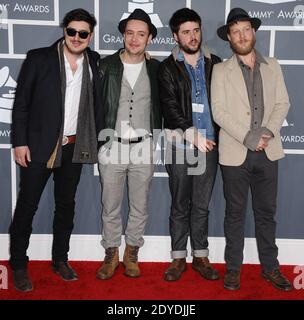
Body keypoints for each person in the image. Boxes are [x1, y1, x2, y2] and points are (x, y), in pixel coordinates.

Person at [10, 8, 103, 292]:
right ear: (64, 30)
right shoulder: (39, 58)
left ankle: (60, 259)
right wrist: (20, 141)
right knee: (27, 206)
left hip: (75, 146)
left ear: (90, 36)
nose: (77, 37)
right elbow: (22, 103)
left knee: (66, 206)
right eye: (71, 31)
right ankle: (18, 264)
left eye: (83, 33)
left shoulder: (94, 61)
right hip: (39, 146)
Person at [211, 7, 292, 291]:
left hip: (268, 152)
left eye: (246, 30)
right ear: (229, 38)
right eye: (236, 32)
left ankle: (271, 268)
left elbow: (283, 103)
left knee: (266, 214)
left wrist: (266, 133)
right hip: (235, 152)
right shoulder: (220, 70)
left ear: (253, 32)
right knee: (234, 214)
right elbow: (219, 112)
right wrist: (248, 137)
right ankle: (233, 269)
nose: (242, 35)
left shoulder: (274, 66)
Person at [96, 9, 162, 280]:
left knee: (140, 205)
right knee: (109, 205)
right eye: (130, 33)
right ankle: (111, 252)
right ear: (123, 35)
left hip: (143, 146)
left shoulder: (157, 68)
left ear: (149, 39)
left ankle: (131, 252)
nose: (135, 39)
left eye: (141, 34)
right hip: (111, 144)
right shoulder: (105, 65)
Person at [158, 8, 221, 282]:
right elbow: (170, 108)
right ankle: (177, 258)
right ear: (175, 36)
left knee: (202, 205)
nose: (192, 36)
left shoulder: (216, 63)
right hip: (179, 145)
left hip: (210, 145)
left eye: (196, 30)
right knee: (180, 204)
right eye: (186, 32)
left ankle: (201, 256)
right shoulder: (166, 68)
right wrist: (191, 134)